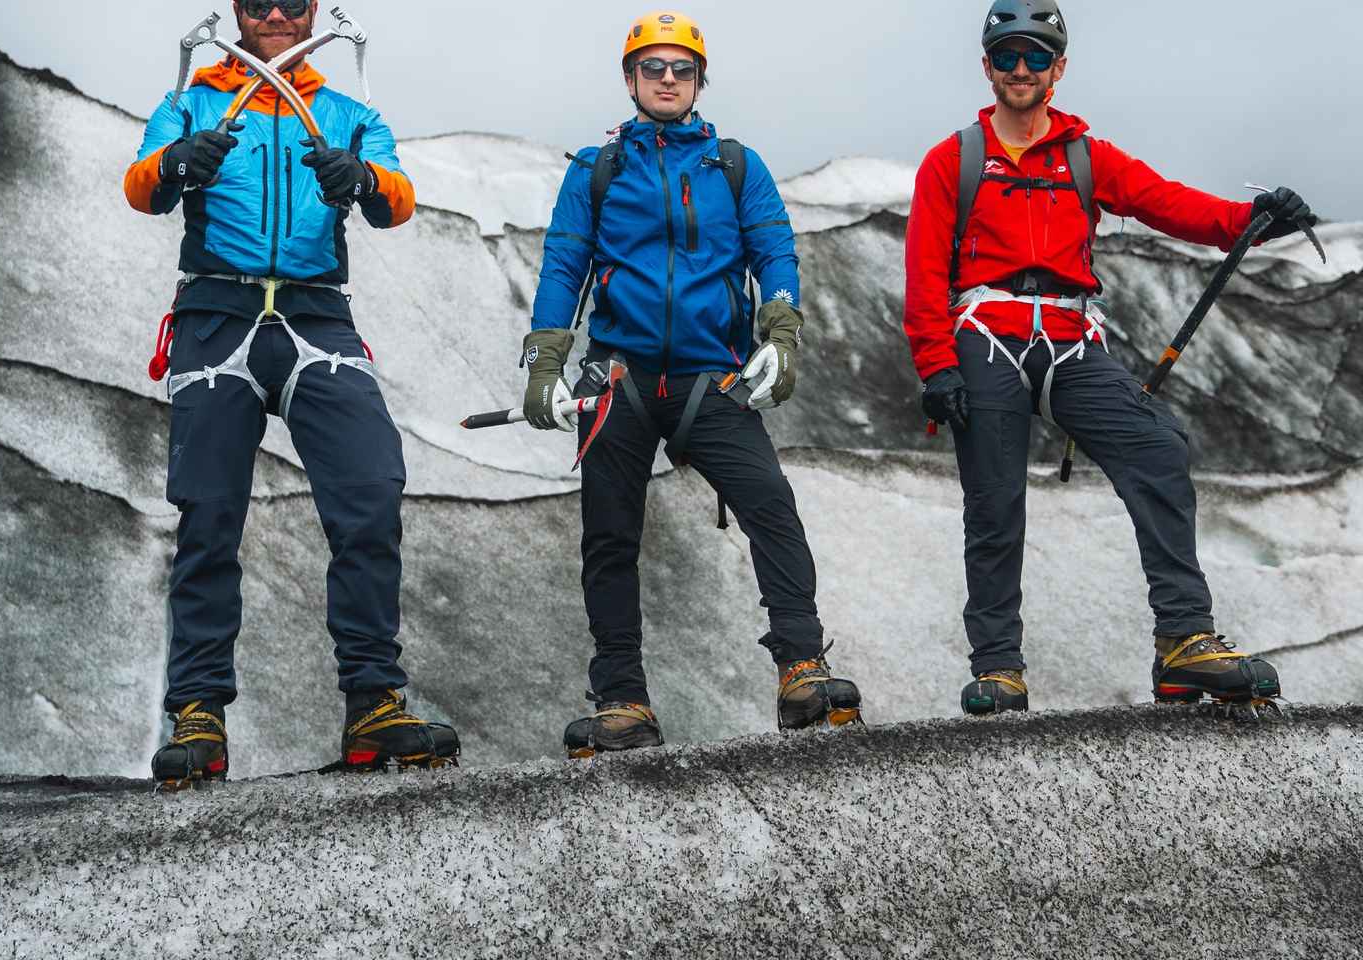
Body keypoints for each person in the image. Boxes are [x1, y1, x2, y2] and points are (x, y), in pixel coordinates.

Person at [903, 0, 1315, 716]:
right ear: (987, 67)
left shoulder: (1086, 157)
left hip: (1070, 338)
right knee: (994, 501)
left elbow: (1169, 203)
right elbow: (923, 272)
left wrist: (1250, 221)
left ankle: (1183, 642)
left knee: (1158, 447)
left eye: (1036, 55)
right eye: (1007, 55)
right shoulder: (953, 161)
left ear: (1059, 68)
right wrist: (936, 365)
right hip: (984, 333)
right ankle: (998, 669)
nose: (1022, 68)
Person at [123, 0, 457, 788]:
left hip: (318, 315)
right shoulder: (190, 101)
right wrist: (179, 163)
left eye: (293, 1)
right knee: (208, 513)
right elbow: (141, 187)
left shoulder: (348, 113)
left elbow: (397, 201)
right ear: (236, 11)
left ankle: (374, 702)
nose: (275, 13)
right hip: (215, 315)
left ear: (314, 13)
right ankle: (197, 714)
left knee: (370, 489)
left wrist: (361, 176)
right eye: (257, 0)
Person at [524, 10, 863, 758]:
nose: (668, 78)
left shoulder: (735, 165)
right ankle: (622, 701)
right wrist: (545, 360)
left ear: (701, 81)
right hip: (619, 375)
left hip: (713, 376)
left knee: (770, 505)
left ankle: (801, 667)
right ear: (630, 78)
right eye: (653, 67)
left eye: (683, 68)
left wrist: (781, 332)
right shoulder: (597, 169)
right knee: (609, 537)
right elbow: (564, 263)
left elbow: (774, 250)